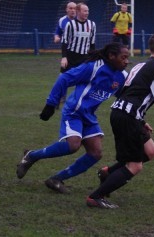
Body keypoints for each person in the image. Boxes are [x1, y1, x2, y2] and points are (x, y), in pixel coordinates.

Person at [16, 42, 130, 194]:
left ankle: (56, 179)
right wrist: (51, 104)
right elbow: (64, 78)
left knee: (95, 153)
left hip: (89, 115)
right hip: (74, 112)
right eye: (123, 57)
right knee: (73, 145)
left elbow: (126, 96)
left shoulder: (122, 76)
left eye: (128, 58)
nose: (126, 61)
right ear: (111, 56)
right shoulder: (93, 67)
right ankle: (32, 155)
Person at [86, 31, 154, 208]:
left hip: (125, 114)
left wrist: (141, 120)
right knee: (135, 165)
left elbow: (125, 93)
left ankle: (108, 173)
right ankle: (95, 197)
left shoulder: (140, 66)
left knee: (150, 151)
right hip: (127, 117)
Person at [53, 1, 76, 109]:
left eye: (74, 8)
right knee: (63, 76)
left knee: (83, 77)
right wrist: (57, 37)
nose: (72, 10)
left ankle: (81, 100)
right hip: (67, 53)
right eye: (70, 8)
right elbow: (57, 33)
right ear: (66, 9)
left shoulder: (80, 21)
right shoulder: (62, 20)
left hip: (79, 54)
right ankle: (59, 97)